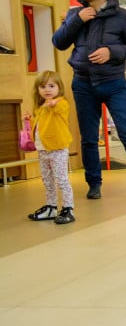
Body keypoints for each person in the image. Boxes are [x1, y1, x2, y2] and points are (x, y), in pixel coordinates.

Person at [52, 0, 126, 202]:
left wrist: (112, 52)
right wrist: (77, 20)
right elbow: (59, 42)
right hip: (83, 84)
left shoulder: (123, 16)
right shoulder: (76, 13)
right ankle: (94, 184)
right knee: (88, 138)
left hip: (113, 83)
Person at [25, 70, 75, 225]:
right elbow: (40, 128)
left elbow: (61, 110)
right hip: (43, 150)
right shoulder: (40, 108)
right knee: (47, 180)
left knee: (61, 179)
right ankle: (51, 207)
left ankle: (68, 208)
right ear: (38, 90)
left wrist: (55, 104)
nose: (47, 90)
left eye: (51, 86)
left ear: (59, 88)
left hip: (58, 149)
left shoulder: (61, 104)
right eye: (43, 86)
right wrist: (29, 120)